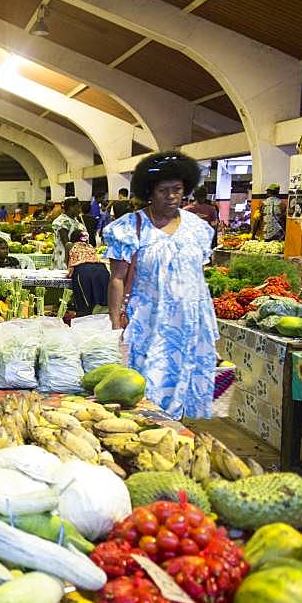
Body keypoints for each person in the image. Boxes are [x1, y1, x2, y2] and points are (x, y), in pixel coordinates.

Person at [106, 150, 217, 419]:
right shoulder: (130, 227)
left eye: (177, 189)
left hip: (191, 321)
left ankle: (178, 437)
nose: (170, 196)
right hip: (149, 322)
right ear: (149, 192)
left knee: (186, 380)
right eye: (162, 190)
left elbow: (196, 275)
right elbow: (117, 278)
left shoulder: (198, 228)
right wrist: (114, 323)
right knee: (148, 386)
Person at [67, 230, 109, 316]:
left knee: (85, 305)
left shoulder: (70, 245)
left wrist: (69, 273)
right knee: (103, 302)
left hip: (84, 271)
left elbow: (69, 263)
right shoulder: (90, 246)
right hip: (102, 270)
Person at [51, 197, 88, 270]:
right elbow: (67, 244)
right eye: (78, 207)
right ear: (71, 207)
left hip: (75, 257)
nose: (80, 210)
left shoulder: (75, 220)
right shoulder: (62, 222)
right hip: (64, 258)